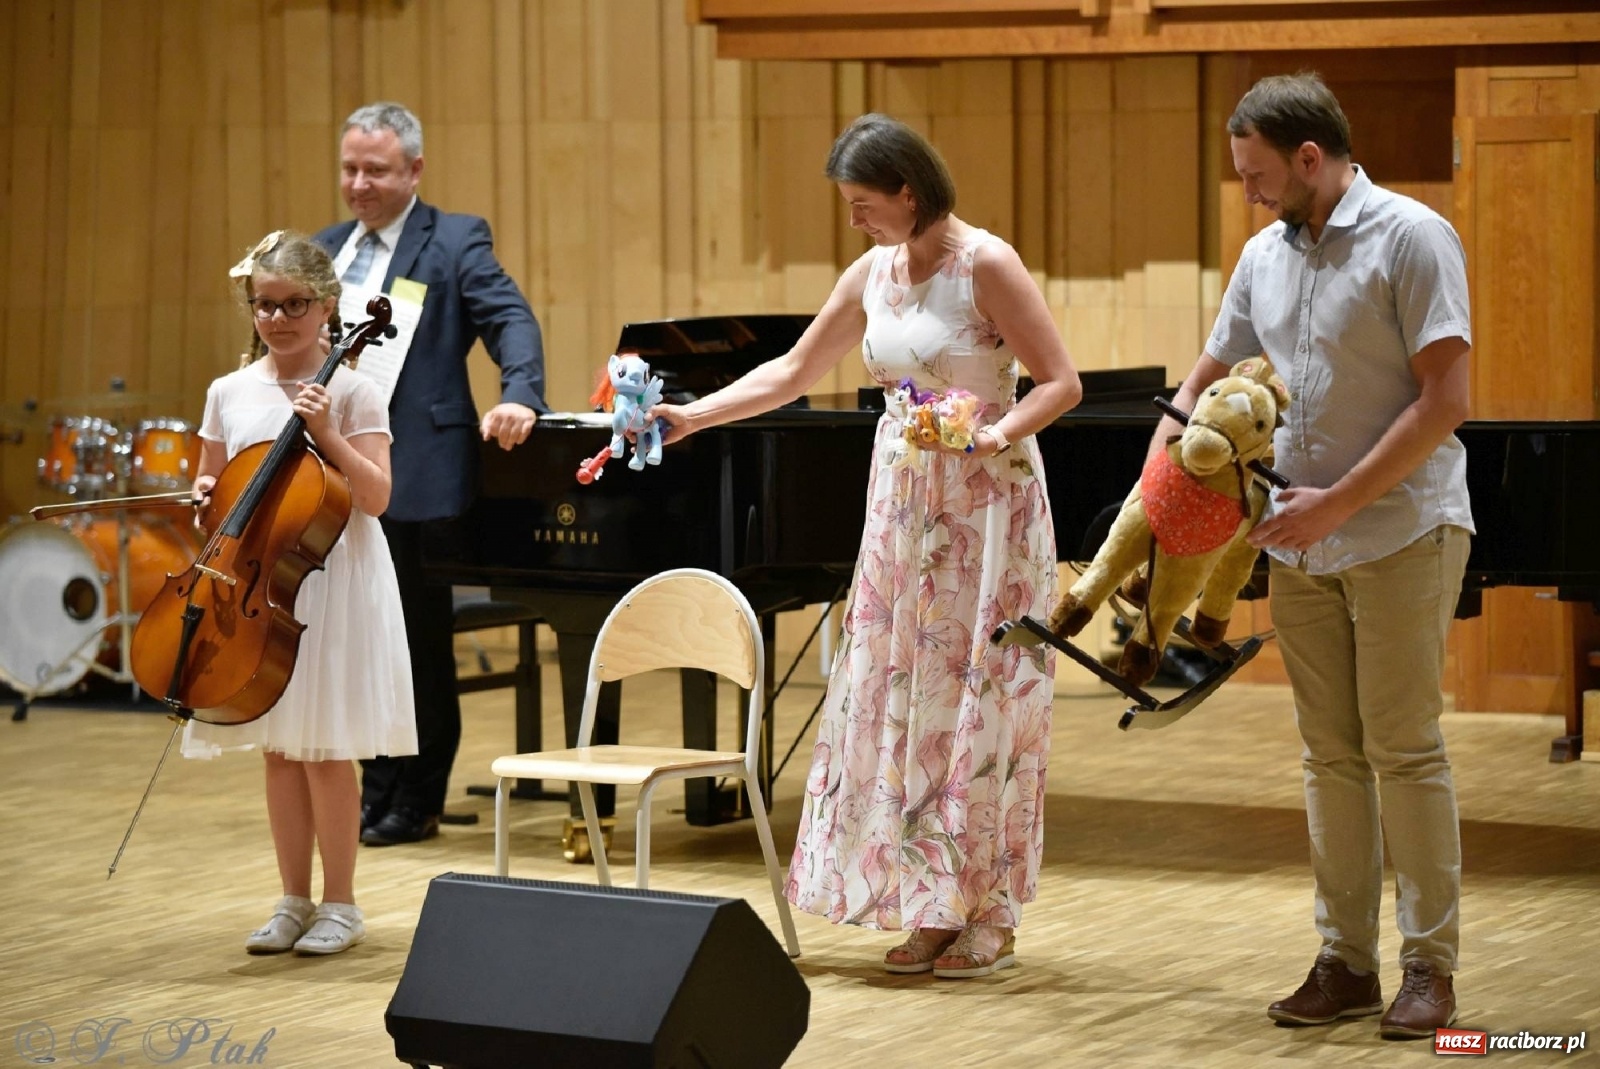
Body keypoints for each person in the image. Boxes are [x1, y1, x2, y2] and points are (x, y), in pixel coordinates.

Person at [650, 114, 1082, 979]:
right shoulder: (872, 271)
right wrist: (695, 413)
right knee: (904, 700)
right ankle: (929, 904)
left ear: (909, 192)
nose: (852, 219)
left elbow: (1061, 383)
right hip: (903, 501)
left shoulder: (984, 264)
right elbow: (793, 371)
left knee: (979, 701)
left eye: (861, 203)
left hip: (984, 503)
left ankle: (988, 911)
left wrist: (991, 437)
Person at [1160, 73, 1473, 1037]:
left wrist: (1337, 501)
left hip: (1401, 529)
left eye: (1259, 175)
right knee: (1329, 757)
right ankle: (1346, 960)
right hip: (1295, 546)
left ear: (1310, 158)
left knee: (1404, 748)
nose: (1250, 192)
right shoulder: (1263, 252)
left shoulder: (1414, 237)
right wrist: (1160, 467)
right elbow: (1211, 368)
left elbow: (1445, 401)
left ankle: (1432, 968)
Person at [312, 102, 549, 846]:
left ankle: (417, 798)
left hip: (418, 473)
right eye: (349, 168)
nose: (359, 183)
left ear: (413, 170)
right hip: (330, 477)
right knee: (350, 640)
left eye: (375, 170)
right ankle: (372, 793)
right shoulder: (324, 250)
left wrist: (520, 393)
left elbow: (510, 319)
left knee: (413, 641)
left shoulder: (453, 239)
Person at [183, 230, 418, 955]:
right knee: (278, 750)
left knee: (324, 749)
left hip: (334, 578)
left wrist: (327, 434)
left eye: (295, 304)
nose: (279, 319)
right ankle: (292, 900)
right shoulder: (229, 390)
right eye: (265, 305)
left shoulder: (353, 388)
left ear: (327, 307)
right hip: (263, 583)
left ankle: (341, 904)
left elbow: (375, 497)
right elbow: (217, 493)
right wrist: (201, 497)